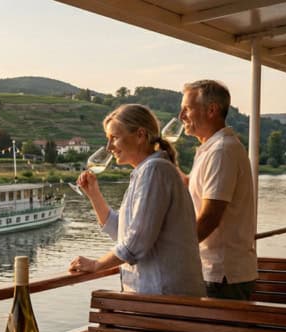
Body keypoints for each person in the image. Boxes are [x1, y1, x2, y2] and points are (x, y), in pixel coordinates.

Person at [69, 104, 205, 296]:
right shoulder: (147, 171)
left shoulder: (154, 170)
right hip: (160, 297)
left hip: (166, 298)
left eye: (114, 138)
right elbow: (122, 232)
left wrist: (96, 264)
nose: (109, 147)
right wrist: (94, 194)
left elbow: (136, 242)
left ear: (140, 135)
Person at [179, 80, 257, 300]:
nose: (181, 116)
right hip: (215, 271)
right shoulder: (212, 148)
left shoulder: (221, 151)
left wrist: (175, 249)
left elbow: (210, 217)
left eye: (187, 109)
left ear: (212, 110)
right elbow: (196, 190)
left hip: (221, 274)